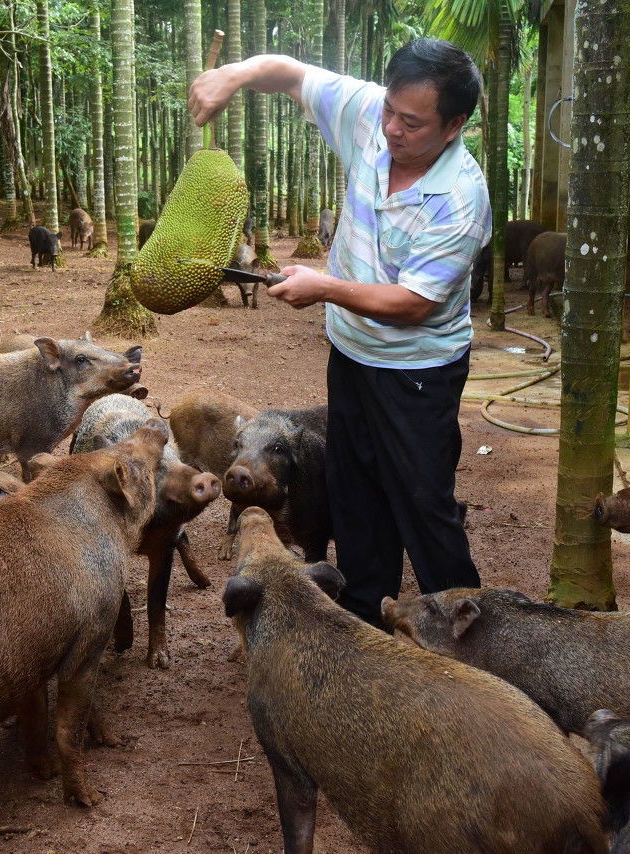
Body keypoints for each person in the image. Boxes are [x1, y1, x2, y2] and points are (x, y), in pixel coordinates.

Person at [188, 39, 486, 628]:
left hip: (418, 371)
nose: (393, 129)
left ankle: (467, 631)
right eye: (390, 112)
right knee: (355, 495)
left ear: (453, 125)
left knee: (424, 504)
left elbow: (413, 304)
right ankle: (364, 617)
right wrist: (233, 75)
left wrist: (324, 287)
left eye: (413, 121)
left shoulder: (460, 199)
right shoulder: (373, 115)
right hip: (352, 355)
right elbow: (292, 74)